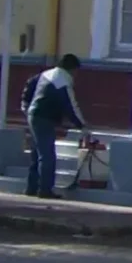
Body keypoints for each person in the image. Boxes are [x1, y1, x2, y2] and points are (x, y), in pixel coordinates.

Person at [24, 54, 86, 198]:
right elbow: (71, 106)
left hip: (34, 114)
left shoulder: (47, 74)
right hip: (44, 118)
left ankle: (31, 188)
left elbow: (30, 86)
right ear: (72, 69)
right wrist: (82, 125)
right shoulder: (63, 80)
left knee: (37, 154)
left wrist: (26, 106)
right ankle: (45, 190)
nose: (76, 75)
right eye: (76, 71)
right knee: (47, 155)